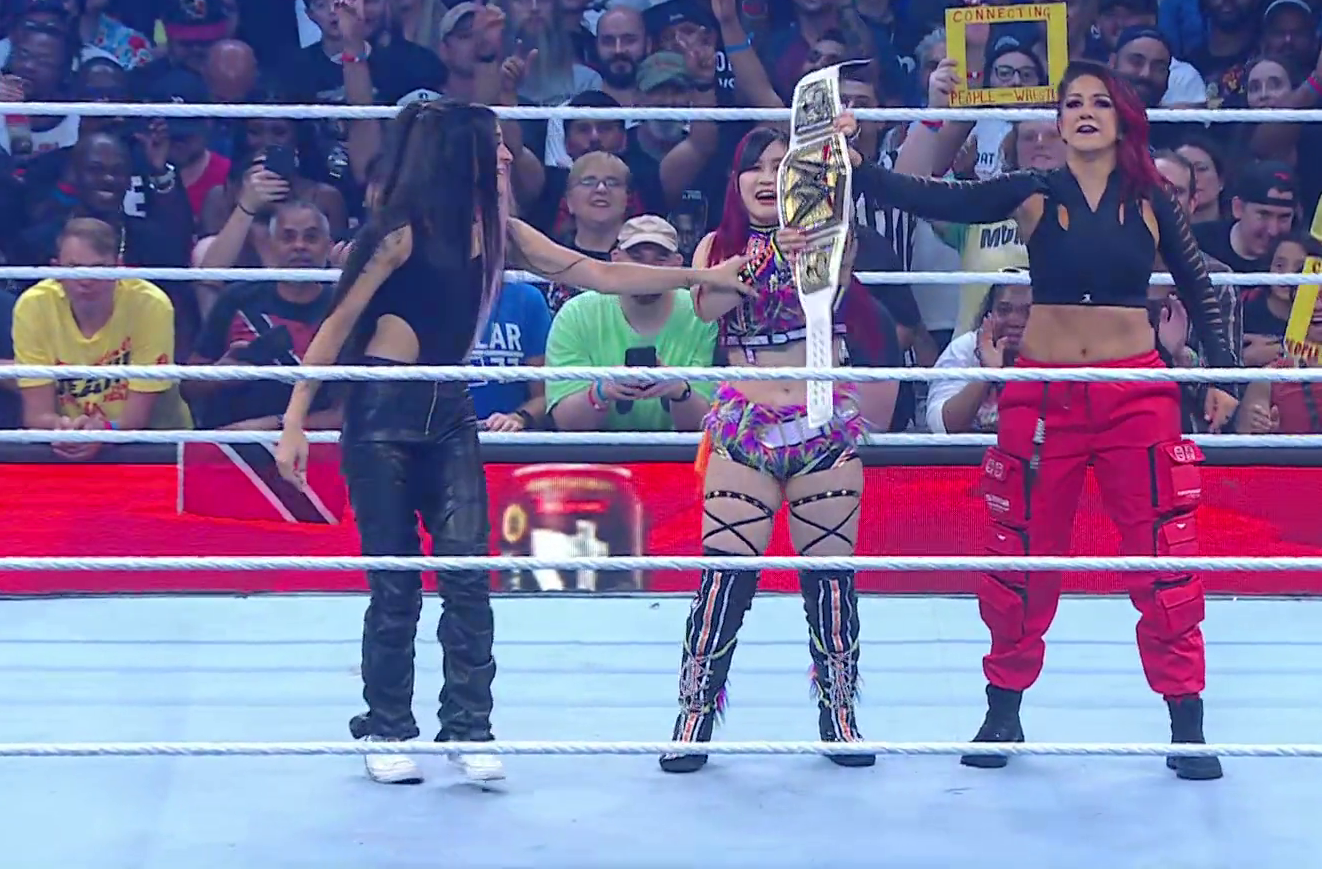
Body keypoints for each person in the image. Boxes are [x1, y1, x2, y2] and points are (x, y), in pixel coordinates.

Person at [273, 101, 750, 788]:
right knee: (396, 582)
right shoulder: (400, 234)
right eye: (494, 144)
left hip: (450, 411)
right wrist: (294, 419)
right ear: (461, 153)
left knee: (468, 573)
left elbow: (600, 273)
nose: (505, 155)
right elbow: (336, 323)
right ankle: (386, 726)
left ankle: (469, 727)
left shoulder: (502, 232)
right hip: (382, 414)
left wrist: (700, 277)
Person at [847, 60, 1237, 780]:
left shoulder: (1152, 199)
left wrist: (1221, 376)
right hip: (1044, 395)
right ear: (1057, 121)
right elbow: (935, 195)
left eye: (1099, 102)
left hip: (1134, 396)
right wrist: (856, 164)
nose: (1084, 112)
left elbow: (1198, 285)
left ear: (1122, 118)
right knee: (1020, 552)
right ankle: (1003, 708)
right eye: (1072, 102)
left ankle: (1187, 719)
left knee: (1162, 553)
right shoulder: (1032, 191)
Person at [660, 125, 894, 774]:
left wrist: (834, 165)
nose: (767, 178)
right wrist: (765, 253)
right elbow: (707, 307)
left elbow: (836, 277)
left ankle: (839, 715)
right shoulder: (717, 245)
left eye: (780, 166)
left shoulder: (830, 238)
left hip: (822, 425)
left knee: (831, 579)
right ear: (735, 181)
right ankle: (693, 716)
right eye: (755, 167)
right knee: (723, 578)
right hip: (746, 428)